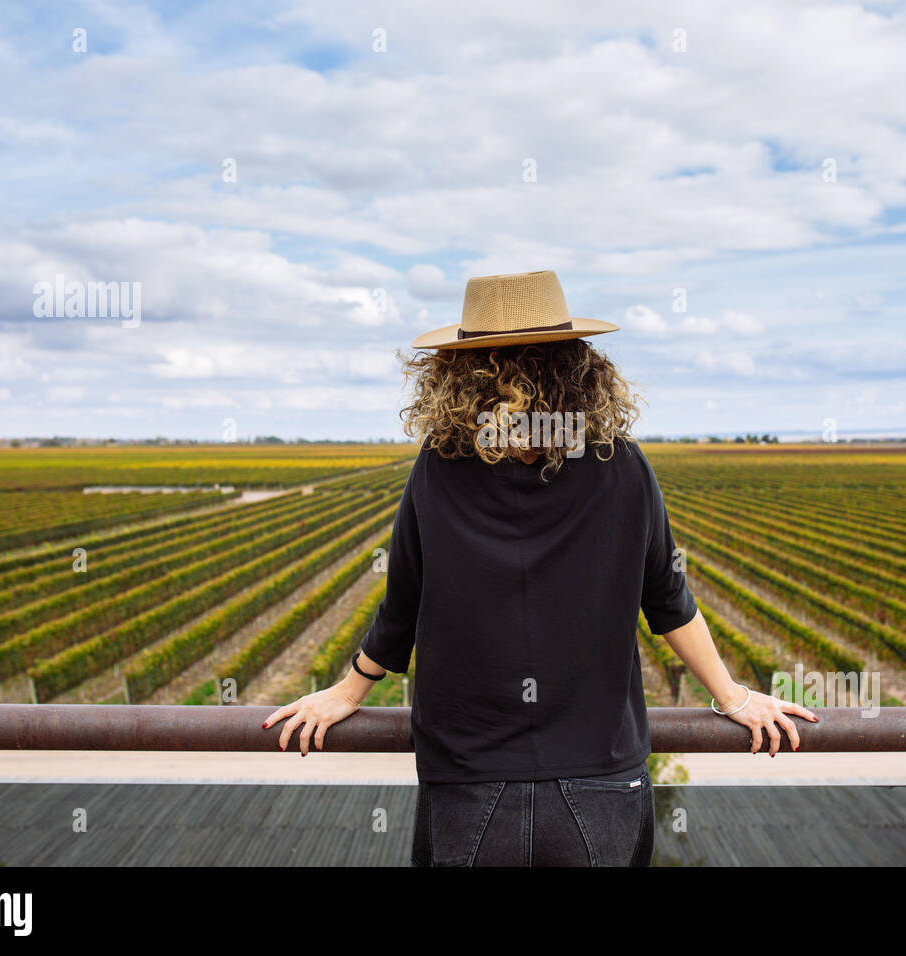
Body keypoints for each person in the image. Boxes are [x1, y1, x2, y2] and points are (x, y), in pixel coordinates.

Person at [264, 270, 817, 866]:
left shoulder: (440, 467)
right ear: (576, 366)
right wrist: (732, 698)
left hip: (468, 778)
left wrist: (348, 693)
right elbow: (668, 601)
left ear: (457, 377)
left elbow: (403, 606)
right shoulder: (621, 463)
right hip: (602, 780)